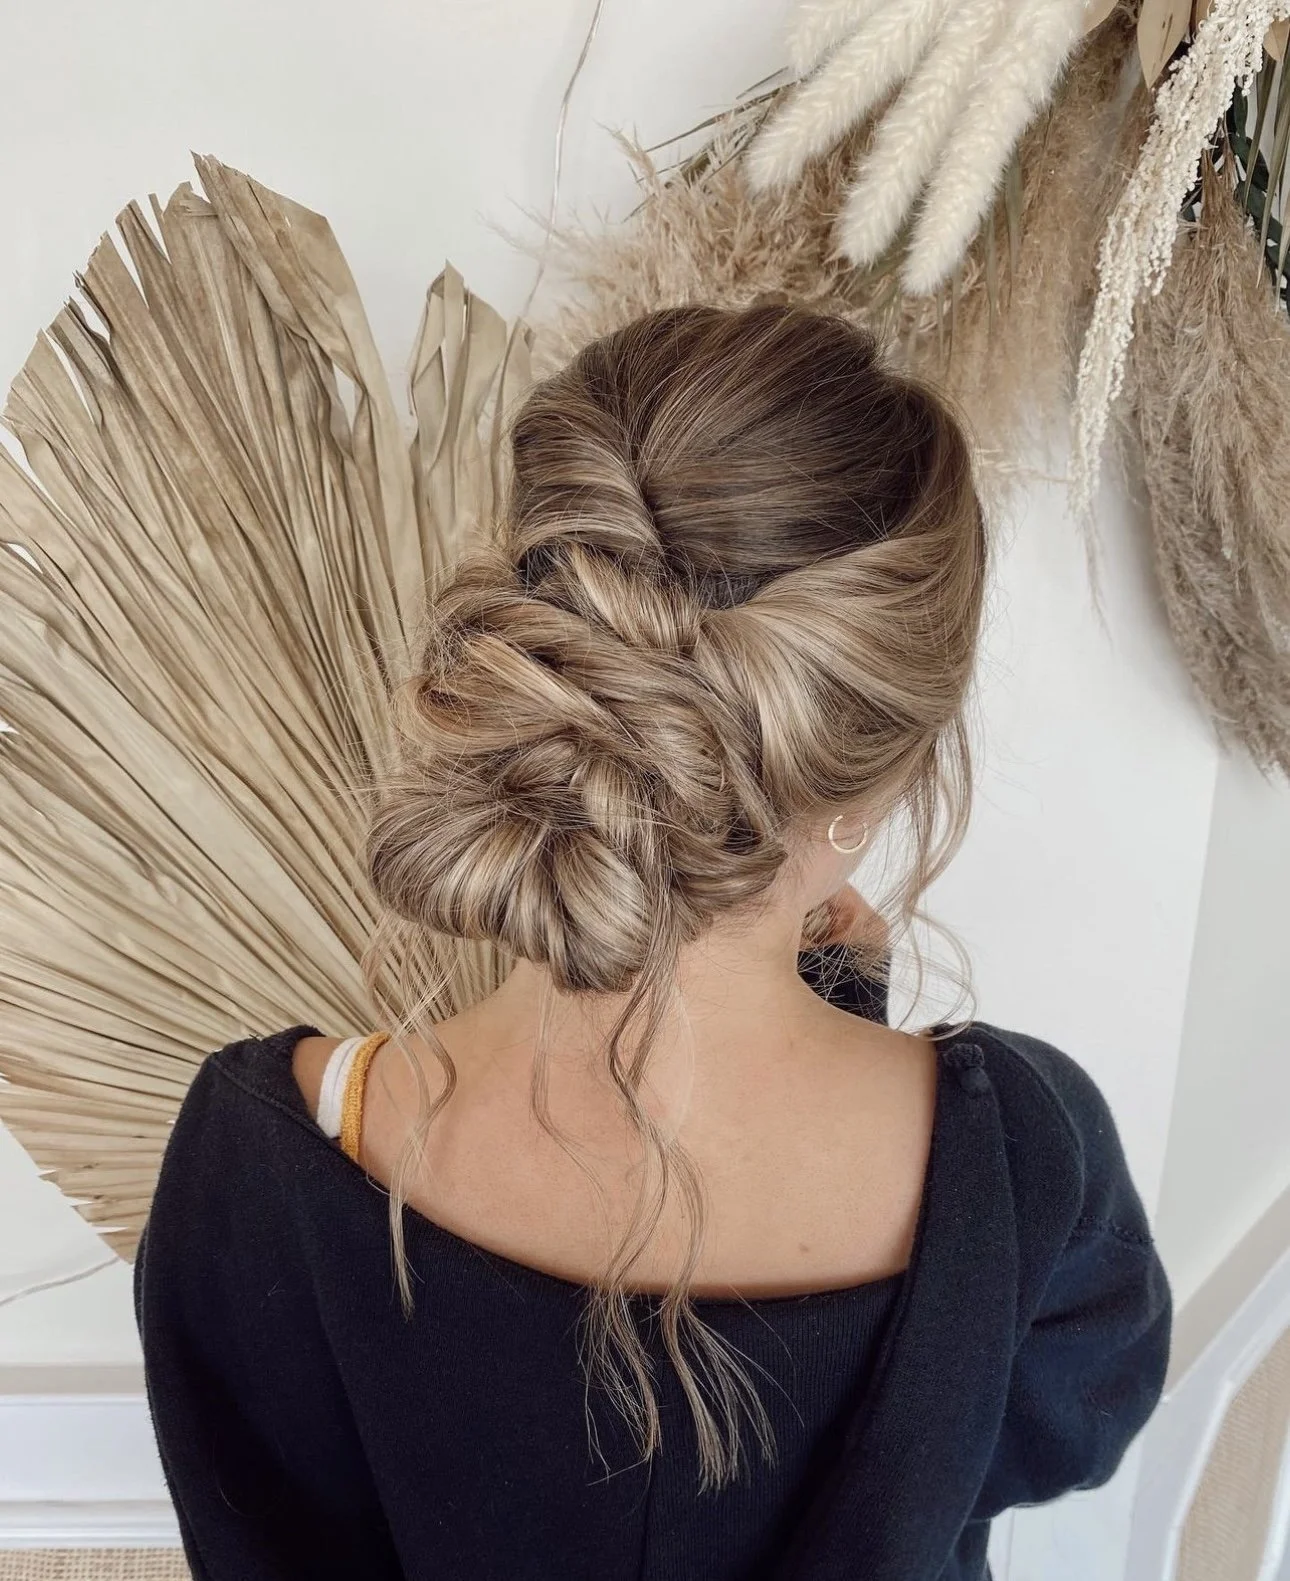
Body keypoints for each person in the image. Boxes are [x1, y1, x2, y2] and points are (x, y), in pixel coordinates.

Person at [133, 303, 1172, 1581]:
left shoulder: (257, 1145)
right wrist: (840, 1016)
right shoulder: (1018, 1147)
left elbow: (265, 1536)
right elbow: (1055, 1432)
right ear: (888, 770)